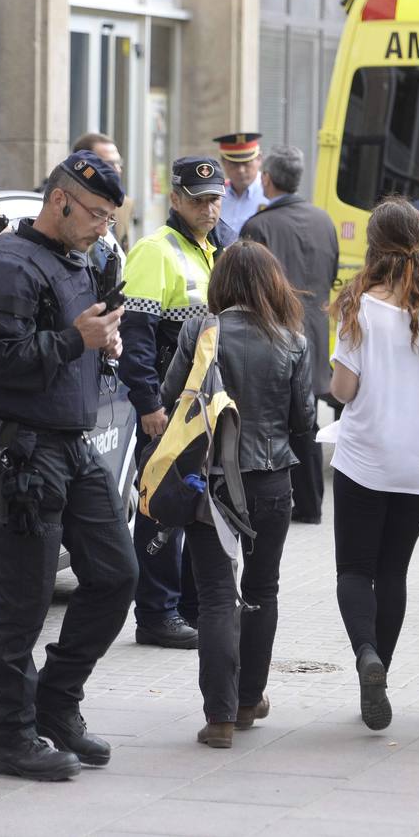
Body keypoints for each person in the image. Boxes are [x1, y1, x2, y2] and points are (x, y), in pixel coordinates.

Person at [0, 150, 138, 781]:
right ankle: (10, 736)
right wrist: (75, 341)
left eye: (109, 218)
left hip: (73, 442)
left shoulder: (77, 259)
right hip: (25, 450)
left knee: (118, 574)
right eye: (95, 213)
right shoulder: (8, 265)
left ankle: (57, 705)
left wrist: (103, 346)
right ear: (60, 200)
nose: (102, 228)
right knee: (23, 600)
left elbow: (74, 344)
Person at [160, 241, 316, 749]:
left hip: (212, 484)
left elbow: (170, 397)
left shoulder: (200, 330)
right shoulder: (292, 338)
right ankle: (250, 699)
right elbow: (304, 422)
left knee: (216, 597)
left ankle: (220, 716)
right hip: (272, 480)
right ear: (273, 284)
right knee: (262, 589)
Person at [328, 198, 419, 731]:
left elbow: (344, 389)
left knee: (355, 569)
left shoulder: (360, 307)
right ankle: (381, 666)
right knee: (394, 571)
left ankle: (366, 654)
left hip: (367, 457)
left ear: (373, 246)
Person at [120, 157, 237, 650]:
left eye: (214, 199)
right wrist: (148, 403)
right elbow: (138, 338)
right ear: (175, 199)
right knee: (161, 505)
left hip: (207, 404)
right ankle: (156, 612)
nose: (208, 208)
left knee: (198, 503)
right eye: (198, 200)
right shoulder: (154, 251)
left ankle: (188, 606)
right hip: (169, 405)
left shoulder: (223, 247)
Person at [240, 144, 339, 524]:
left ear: (266, 178)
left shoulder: (258, 226)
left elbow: (249, 289)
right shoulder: (322, 219)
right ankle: (312, 505)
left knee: (270, 422)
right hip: (312, 333)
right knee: (307, 422)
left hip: (271, 337)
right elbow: (329, 275)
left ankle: (270, 502)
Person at [73, 131, 135, 249]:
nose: (117, 170)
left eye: (118, 163)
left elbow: (123, 251)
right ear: (84, 165)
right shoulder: (66, 201)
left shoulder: (124, 205)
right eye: (109, 164)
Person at [214, 132, 266, 234]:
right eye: (234, 164)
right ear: (223, 162)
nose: (241, 170)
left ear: (259, 159)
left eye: (247, 163)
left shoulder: (272, 192)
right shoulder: (216, 194)